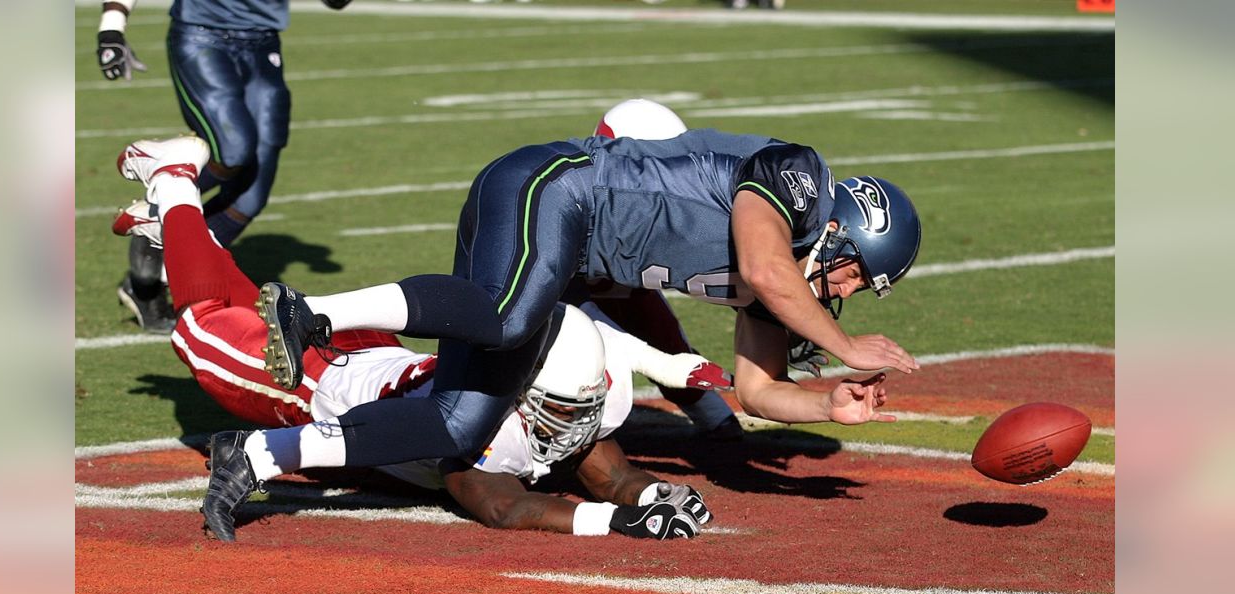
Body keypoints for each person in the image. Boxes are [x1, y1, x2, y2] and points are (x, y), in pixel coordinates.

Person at [135, 126, 917, 536]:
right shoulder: (798, 179)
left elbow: (756, 389)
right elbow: (770, 265)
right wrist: (848, 348)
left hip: (571, 249)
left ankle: (261, 456)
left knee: (460, 421)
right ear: (844, 231)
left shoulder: (771, 282)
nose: (845, 293)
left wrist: (827, 404)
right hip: (556, 188)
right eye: (854, 274)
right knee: (508, 316)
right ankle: (321, 314)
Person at [95, 0, 353, 333]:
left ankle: (155, 265)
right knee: (233, 149)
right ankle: (163, 206)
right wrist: (112, 27)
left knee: (251, 196)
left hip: (264, 42)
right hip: (203, 38)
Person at [584, 99, 745, 442]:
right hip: (545, 309)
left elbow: (653, 317)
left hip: (611, 288)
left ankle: (709, 412)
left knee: (642, 311)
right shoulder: (577, 203)